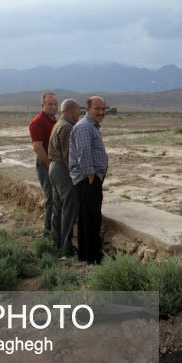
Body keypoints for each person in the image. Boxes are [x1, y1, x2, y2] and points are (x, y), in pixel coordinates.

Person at [69, 96, 108, 264]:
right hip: (88, 179)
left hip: (89, 179)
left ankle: (85, 255)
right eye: (97, 109)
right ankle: (93, 257)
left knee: (86, 216)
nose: (100, 112)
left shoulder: (91, 126)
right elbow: (84, 153)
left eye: (103, 109)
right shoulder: (85, 127)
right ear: (88, 109)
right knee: (91, 218)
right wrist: (91, 175)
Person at [47, 98, 80, 256]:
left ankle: (57, 241)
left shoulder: (59, 123)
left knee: (58, 206)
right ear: (71, 110)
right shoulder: (67, 127)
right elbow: (69, 156)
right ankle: (66, 246)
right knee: (69, 207)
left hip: (54, 167)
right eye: (77, 110)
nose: (79, 113)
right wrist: (76, 175)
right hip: (62, 169)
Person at [30, 92, 58, 232]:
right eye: (49, 104)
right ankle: (48, 231)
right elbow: (37, 147)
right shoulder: (39, 122)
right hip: (46, 163)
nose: (53, 107)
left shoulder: (53, 120)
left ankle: (56, 229)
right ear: (43, 106)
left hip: (54, 164)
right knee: (51, 197)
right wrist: (49, 165)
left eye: (55, 104)